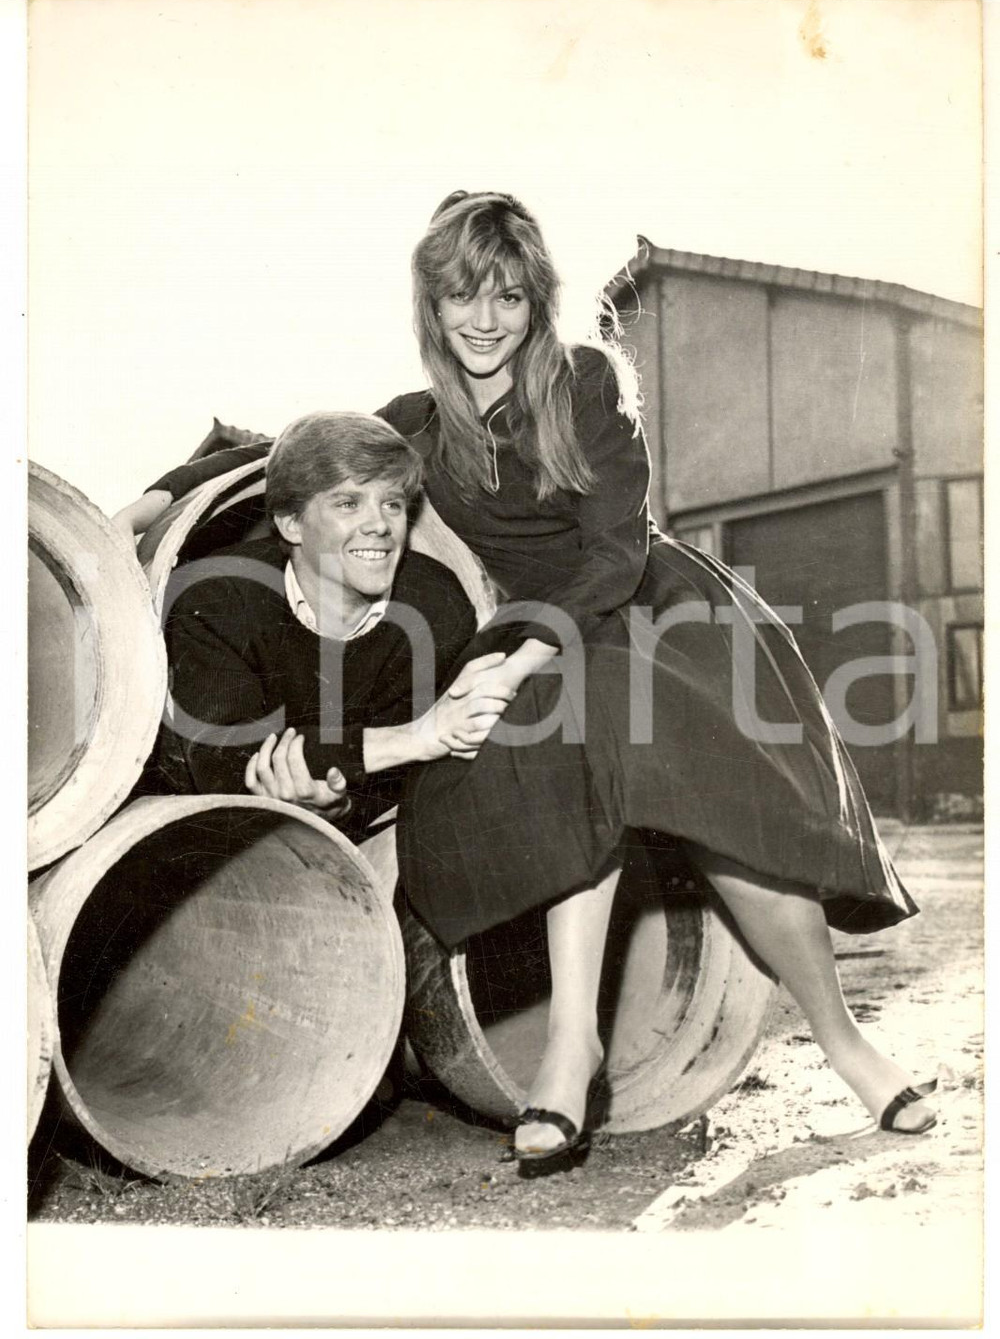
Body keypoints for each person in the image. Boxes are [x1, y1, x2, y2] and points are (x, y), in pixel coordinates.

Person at [117, 192, 937, 1167]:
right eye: (461, 294)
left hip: (649, 617)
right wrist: (143, 508)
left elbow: (613, 554)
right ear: (432, 303)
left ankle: (845, 1042)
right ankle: (570, 1043)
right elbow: (285, 456)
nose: (484, 318)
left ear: (536, 300)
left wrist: (521, 660)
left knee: (735, 831)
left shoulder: (585, 382)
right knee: (565, 780)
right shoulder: (416, 422)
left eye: (507, 294)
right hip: (531, 640)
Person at [144, 410, 515, 845]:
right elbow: (228, 762)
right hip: (194, 832)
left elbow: (398, 781)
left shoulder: (436, 605)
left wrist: (342, 805)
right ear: (291, 523)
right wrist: (417, 736)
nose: (380, 525)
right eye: (348, 504)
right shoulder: (218, 596)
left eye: (392, 504)